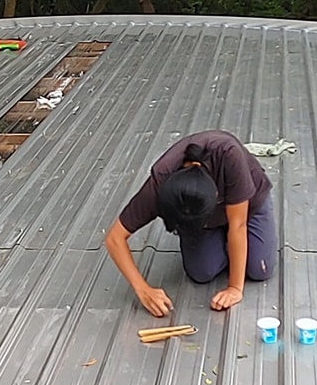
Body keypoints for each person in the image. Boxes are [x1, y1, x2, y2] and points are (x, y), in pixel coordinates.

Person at [105, 130, 276, 316]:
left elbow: (238, 225)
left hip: (248, 206)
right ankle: (218, 242)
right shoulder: (159, 184)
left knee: (259, 269)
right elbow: (115, 238)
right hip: (201, 218)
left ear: (217, 195)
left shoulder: (229, 155)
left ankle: (234, 243)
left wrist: (235, 288)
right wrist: (142, 289)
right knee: (202, 272)